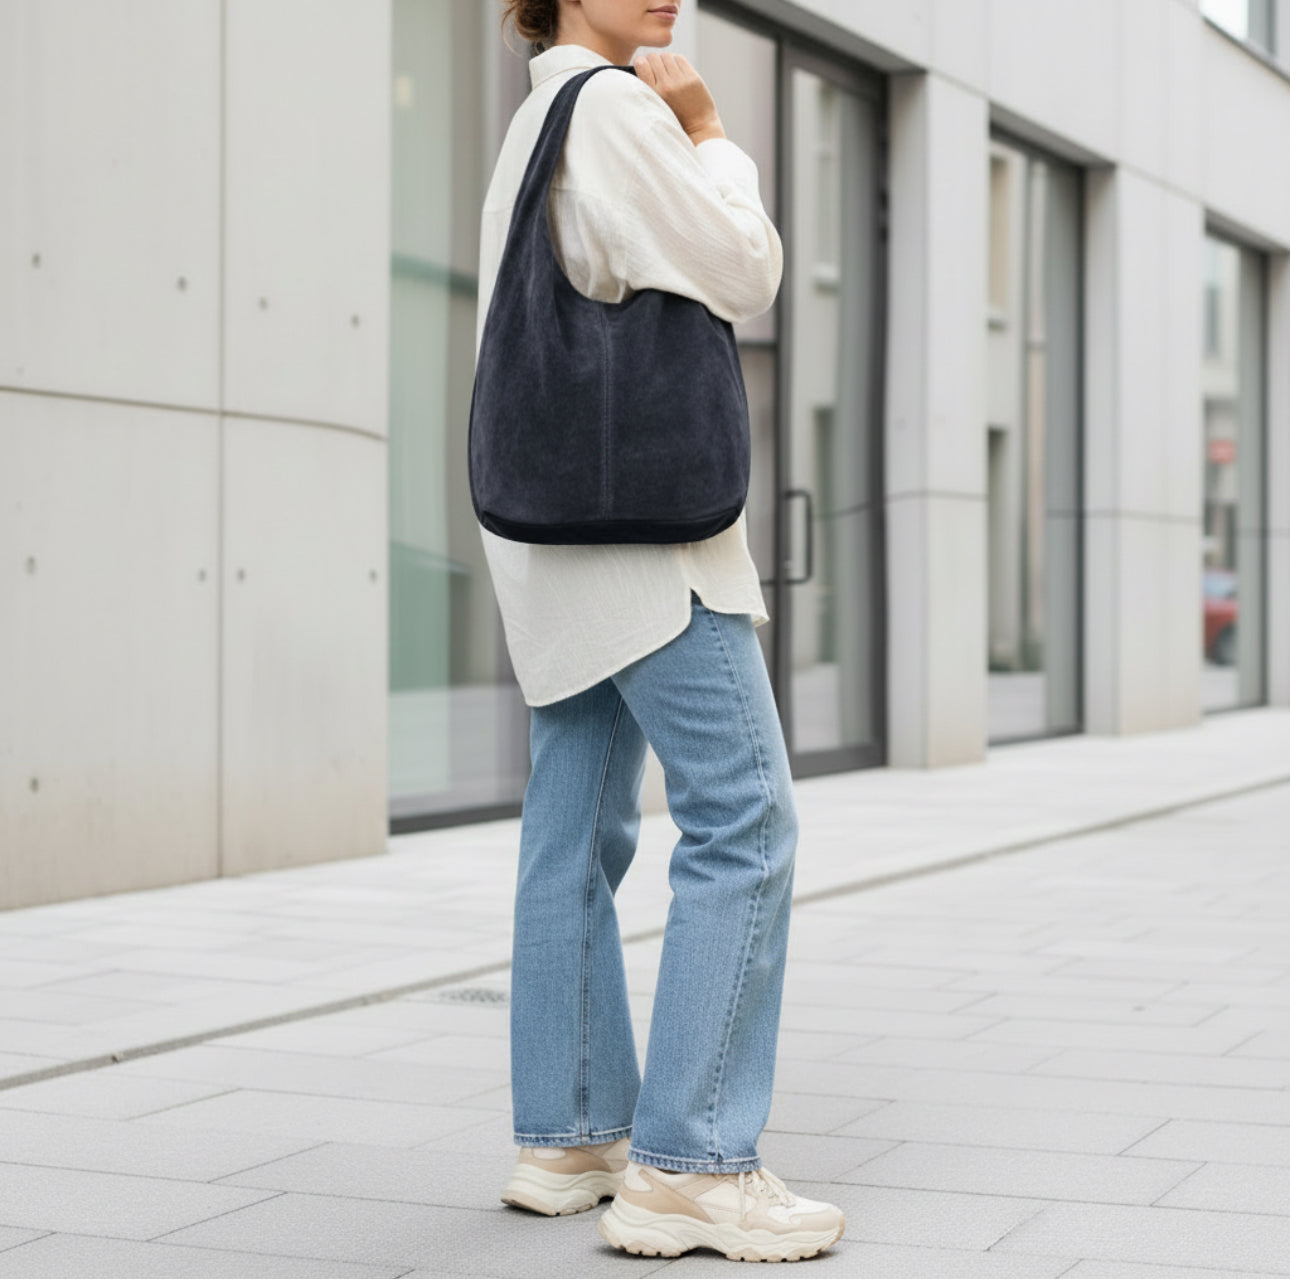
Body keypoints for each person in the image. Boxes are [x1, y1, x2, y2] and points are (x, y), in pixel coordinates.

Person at [479, 0, 845, 1263]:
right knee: (745, 815)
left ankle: (571, 1131)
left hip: (556, 543)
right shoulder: (627, 109)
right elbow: (745, 269)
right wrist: (714, 129)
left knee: (573, 830)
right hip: (646, 545)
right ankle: (692, 1165)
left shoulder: (533, 119)